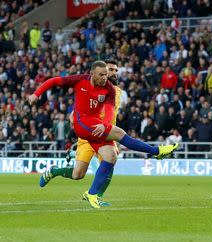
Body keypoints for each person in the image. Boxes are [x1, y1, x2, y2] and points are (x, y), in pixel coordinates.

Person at [29, 61, 178, 208]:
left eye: (111, 72)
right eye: (105, 73)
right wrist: (36, 94)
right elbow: (56, 81)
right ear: (92, 73)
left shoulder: (112, 90)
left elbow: (109, 111)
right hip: (85, 127)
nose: (107, 77)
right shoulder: (81, 80)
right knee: (119, 135)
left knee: (108, 158)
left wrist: (104, 124)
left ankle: (92, 193)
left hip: (101, 130)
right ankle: (156, 152)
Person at [39, 60, 122, 206]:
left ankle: (95, 196)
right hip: (88, 136)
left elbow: (108, 112)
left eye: (116, 70)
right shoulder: (91, 87)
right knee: (78, 175)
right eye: (110, 70)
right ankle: (55, 171)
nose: (113, 73)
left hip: (105, 135)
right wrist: (74, 113)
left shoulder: (116, 92)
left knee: (109, 164)